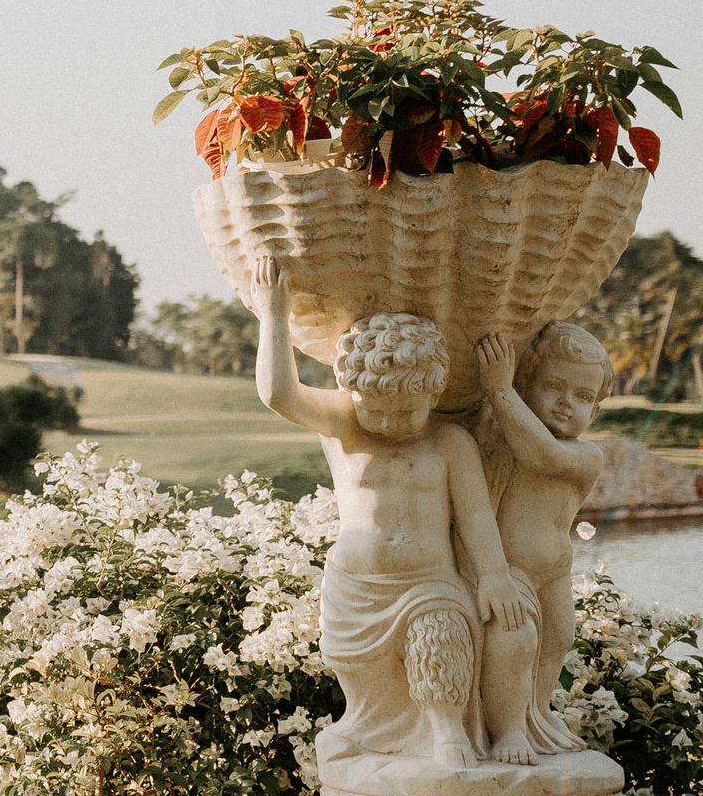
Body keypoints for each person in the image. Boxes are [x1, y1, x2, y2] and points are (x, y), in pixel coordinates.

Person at [251, 259, 533, 769]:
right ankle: (365, 727)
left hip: (429, 582)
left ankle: (446, 730)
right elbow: (278, 394)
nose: (391, 424)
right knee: (360, 673)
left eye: (409, 411)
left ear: (435, 393)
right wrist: (274, 314)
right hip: (358, 585)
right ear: (348, 393)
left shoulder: (450, 443)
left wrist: (493, 574)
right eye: (375, 410)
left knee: (440, 641)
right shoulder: (340, 426)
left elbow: (474, 517)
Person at [473, 325, 611, 761]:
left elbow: (543, 455)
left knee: (557, 640)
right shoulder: (503, 438)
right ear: (525, 383)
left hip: (554, 573)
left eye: (584, 396)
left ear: (595, 409)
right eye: (553, 386)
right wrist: (498, 393)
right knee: (517, 640)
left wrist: (500, 392)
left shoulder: (586, 455)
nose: (567, 402)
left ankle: (537, 712)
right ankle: (510, 730)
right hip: (510, 568)